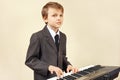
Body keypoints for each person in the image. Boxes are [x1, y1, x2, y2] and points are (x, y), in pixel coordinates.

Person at [25, 2, 78, 80]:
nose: (59, 18)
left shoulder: (63, 36)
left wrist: (68, 65)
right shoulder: (37, 37)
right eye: (54, 15)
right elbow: (30, 60)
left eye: (61, 15)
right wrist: (48, 67)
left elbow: (62, 57)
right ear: (45, 18)